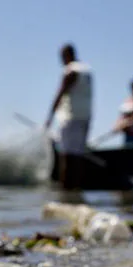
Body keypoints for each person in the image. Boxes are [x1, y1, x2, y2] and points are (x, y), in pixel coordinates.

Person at [44, 43, 93, 190]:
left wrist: (50, 117)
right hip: (85, 116)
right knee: (78, 156)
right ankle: (76, 191)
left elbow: (61, 93)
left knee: (66, 156)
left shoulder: (70, 71)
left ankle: (65, 193)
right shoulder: (87, 70)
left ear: (67, 55)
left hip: (70, 118)